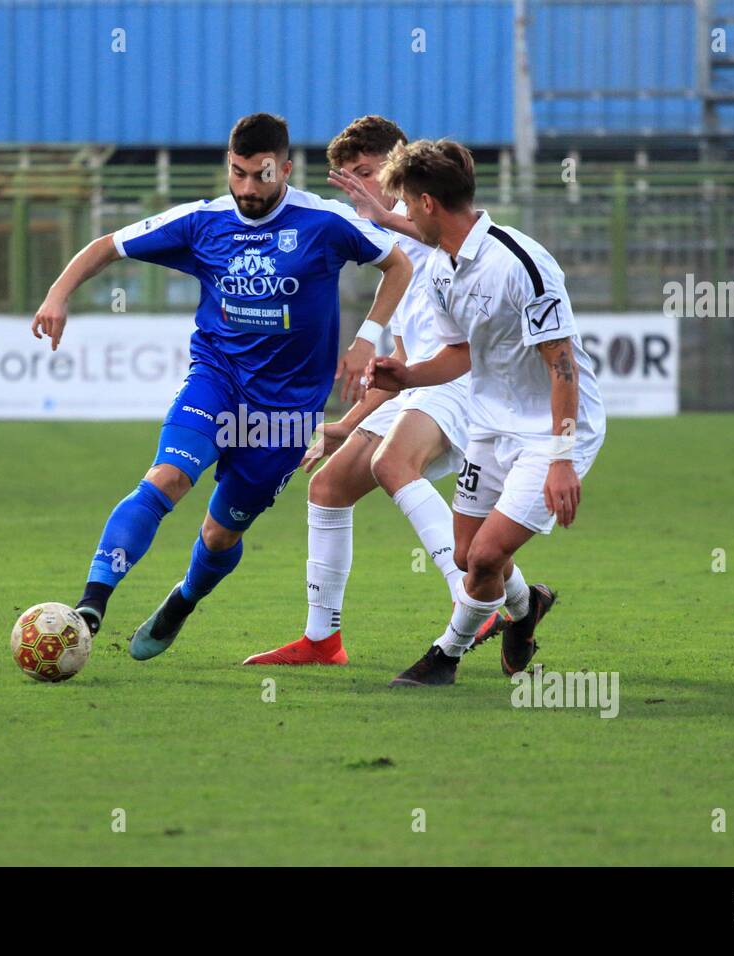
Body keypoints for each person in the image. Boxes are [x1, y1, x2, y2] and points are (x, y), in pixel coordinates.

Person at [31, 113, 412, 661]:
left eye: (261, 176)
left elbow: (397, 264)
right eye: (237, 174)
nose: (247, 189)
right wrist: (57, 293)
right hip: (217, 379)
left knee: (219, 535)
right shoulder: (201, 221)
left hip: (285, 411)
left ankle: (184, 599)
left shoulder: (324, 222)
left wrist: (366, 341)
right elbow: (108, 246)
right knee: (166, 478)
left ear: (284, 168)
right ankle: (92, 604)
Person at [366, 139, 606, 686]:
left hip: (552, 428)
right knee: (471, 552)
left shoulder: (521, 263)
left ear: (427, 203)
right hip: (489, 424)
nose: (401, 217)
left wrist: (562, 460)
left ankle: (443, 657)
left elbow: (562, 364)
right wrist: (406, 376)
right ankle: (528, 610)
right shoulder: (442, 270)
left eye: (404, 204)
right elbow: (460, 353)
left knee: (482, 560)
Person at [242, 116, 470, 667]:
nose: (359, 190)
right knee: (328, 488)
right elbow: (402, 368)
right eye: (348, 179)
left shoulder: (434, 227)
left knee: (395, 466)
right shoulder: (386, 244)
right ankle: (323, 640)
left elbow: (440, 249)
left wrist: (381, 213)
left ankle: (473, 600)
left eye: (368, 174)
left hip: (463, 380)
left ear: (400, 167)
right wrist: (345, 424)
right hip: (423, 384)